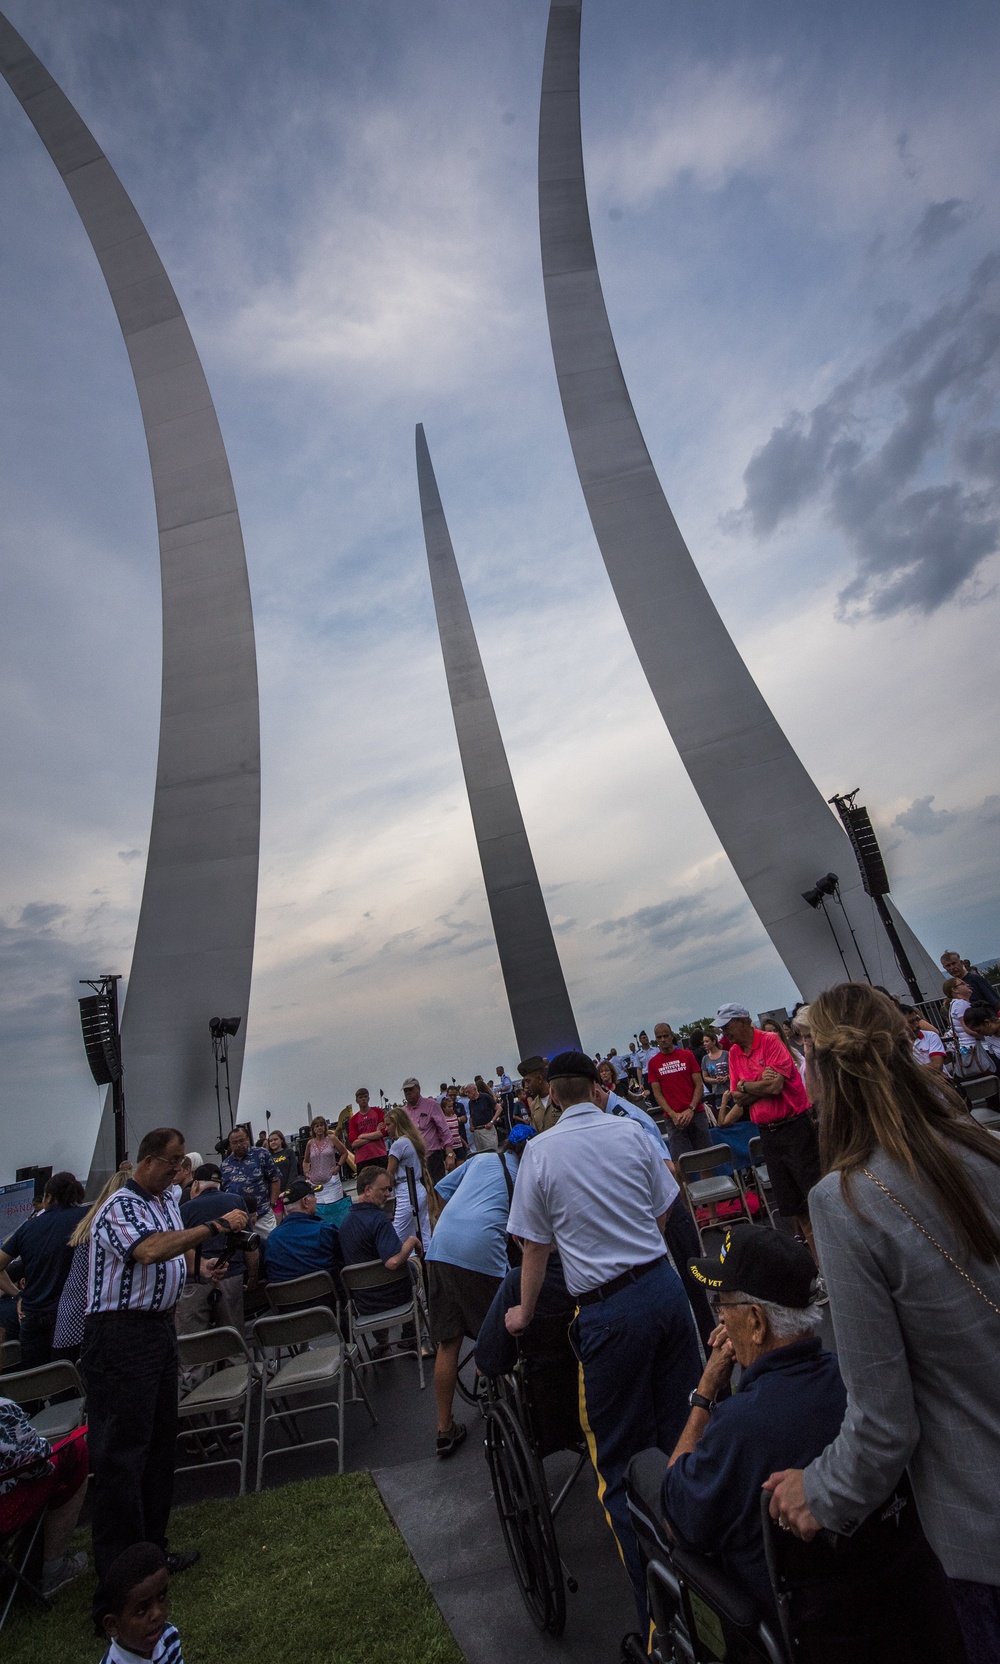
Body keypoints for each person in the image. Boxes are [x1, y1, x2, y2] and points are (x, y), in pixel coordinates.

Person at [764, 982, 1000, 1664]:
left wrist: (820, 1491)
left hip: (983, 1530)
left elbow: (883, 1420)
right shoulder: (985, 1144)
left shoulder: (847, 1203)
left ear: (817, 1070)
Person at [505, 1051, 701, 1625]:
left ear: (553, 1098)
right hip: (663, 1291)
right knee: (686, 1435)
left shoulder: (539, 1153)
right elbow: (667, 1210)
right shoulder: (631, 1131)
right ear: (596, 1089)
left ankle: (657, 1621)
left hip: (607, 1312)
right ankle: (707, 1580)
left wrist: (523, 1311)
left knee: (615, 1463)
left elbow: (533, 1249)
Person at [82, 1127, 247, 1603]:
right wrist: (216, 1227)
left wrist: (197, 1269)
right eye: (173, 1162)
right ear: (148, 1161)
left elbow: (170, 1253)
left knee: (158, 1445)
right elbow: (149, 1250)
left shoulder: (166, 1199)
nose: (179, 1170)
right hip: (119, 1334)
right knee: (121, 1454)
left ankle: (152, 1552)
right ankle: (118, 1575)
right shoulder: (121, 1207)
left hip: (155, 1329)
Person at [656, 1226, 842, 1620]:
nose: (720, 1317)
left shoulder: (740, 1427)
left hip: (779, 1619)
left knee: (644, 1475)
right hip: (863, 1608)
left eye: (722, 1305)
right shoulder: (851, 1382)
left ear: (756, 1322)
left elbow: (676, 1519)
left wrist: (705, 1392)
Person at [426, 1134, 527, 1457]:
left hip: (440, 1247)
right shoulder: (522, 1176)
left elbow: (441, 1190)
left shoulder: (481, 1159)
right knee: (500, 1328)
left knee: (448, 1341)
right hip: (481, 1253)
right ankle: (497, 1391)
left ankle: (444, 1428)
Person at [715, 1003, 819, 1253]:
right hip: (769, 1134)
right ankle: (820, 1267)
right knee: (796, 1207)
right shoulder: (734, 1054)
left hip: (795, 1129)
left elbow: (775, 1087)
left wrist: (746, 1086)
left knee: (816, 1198)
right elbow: (737, 1097)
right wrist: (754, 1085)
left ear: (742, 1021)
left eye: (727, 1026)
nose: (724, 1033)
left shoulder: (770, 1041)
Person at [0, 1401, 89, 1596]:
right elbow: (37, 1465)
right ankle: (54, 1570)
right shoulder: (3, 1410)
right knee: (76, 1451)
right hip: (5, 1513)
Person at [0, 1171, 87, 1368]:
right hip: (71, 1316)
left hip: (31, 1315)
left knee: (36, 1380)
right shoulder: (86, 1219)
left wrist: (17, 1295)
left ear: (48, 1197)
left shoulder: (28, 1227)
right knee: (68, 1379)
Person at [52, 1172, 130, 1363]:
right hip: (87, 1316)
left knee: (67, 1380)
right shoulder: (112, 1224)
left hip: (69, 1315)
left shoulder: (88, 1222)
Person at [176, 1165, 256, 1335]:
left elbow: (178, 1247)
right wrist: (253, 1277)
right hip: (231, 1276)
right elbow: (250, 1245)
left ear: (196, 1185)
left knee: (194, 1342)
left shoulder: (184, 1209)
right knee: (233, 1339)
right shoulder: (236, 1201)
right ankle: (237, 1361)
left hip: (195, 1282)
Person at [337, 1167, 420, 1315]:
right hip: (395, 1297)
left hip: (363, 1303)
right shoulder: (378, 1219)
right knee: (415, 1266)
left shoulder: (344, 1224)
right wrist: (412, 1241)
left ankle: (382, 1338)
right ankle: (412, 1330)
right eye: (384, 1189)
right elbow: (393, 1261)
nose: (388, 1194)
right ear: (368, 1190)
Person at [98, 1541, 184, 1664]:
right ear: (113, 1625)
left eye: (161, 1597)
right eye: (141, 1610)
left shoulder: (168, 1636)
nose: (157, 1613)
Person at [647, 1022, 712, 1159]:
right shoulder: (653, 1063)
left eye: (666, 1036)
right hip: (672, 1118)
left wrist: (691, 1109)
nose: (663, 1040)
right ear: (656, 1040)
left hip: (696, 1113)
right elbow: (657, 1093)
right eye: (659, 1037)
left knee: (705, 1158)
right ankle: (684, 1182)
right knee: (680, 1161)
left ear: (672, 1036)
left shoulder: (687, 1055)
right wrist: (673, 1114)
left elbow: (699, 1084)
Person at [262, 1178, 341, 1283]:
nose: (316, 1200)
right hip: (326, 1296)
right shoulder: (324, 1231)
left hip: (286, 1298)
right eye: (314, 1196)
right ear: (305, 1202)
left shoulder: (272, 1239)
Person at [385, 1105, 437, 1247]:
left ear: (397, 1124)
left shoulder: (398, 1145)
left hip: (405, 1190)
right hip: (418, 1188)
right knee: (424, 1232)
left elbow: (389, 1175)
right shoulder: (412, 1141)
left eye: (388, 1125)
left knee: (398, 1235)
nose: (386, 1129)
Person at [220, 1125, 280, 1237]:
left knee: (270, 1244)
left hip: (262, 1214)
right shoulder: (225, 1164)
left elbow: (275, 1179)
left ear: (248, 1139)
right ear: (230, 1144)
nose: (239, 1145)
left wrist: (273, 1203)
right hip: (238, 1219)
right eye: (235, 1142)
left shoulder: (261, 1154)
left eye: (241, 1141)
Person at [401, 1078, 452, 1184]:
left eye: (411, 1089)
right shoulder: (403, 1112)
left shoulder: (431, 1105)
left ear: (418, 1089)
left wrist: (449, 1154)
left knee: (438, 1188)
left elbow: (444, 1130)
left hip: (432, 1156)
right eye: (406, 1091)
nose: (408, 1093)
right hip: (413, 1160)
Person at [301, 1113, 349, 1215]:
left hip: (331, 1181)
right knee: (320, 1212)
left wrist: (338, 1166)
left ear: (325, 1127)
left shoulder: (332, 1139)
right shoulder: (310, 1143)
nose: (319, 1128)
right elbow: (306, 1160)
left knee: (335, 1210)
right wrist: (306, 1172)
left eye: (321, 1125)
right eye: (317, 1126)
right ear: (313, 1129)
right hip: (316, 1184)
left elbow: (344, 1153)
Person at [347, 1090, 388, 1171]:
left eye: (365, 1097)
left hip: (379, 1154)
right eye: (361, 1097)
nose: (363, 1099)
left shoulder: (378, 1112)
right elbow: (354, 1143)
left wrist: (362, 1136)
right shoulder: (354, 1119)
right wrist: (375, 1134)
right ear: (357, 1100)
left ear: (369, 1098)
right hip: (363, 1159)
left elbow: (383, 1132)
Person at [518, 1054, 560, 1132]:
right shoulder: (534, 1105)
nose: (526, 1086)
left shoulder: (561, 1097)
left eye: (528, 1081)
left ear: (539, 1078)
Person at [900, 1004, 947, 1072]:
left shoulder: (930, 1036)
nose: (917, 1025)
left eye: (917, 1020)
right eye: (911, 1022)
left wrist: (910, 1071)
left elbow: (937, 1066)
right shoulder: (895, 1043)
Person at [700, 1031, 730, 1115]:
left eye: (707, 1041)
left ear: (713, 1041)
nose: (705, 1044)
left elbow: (735, 1071)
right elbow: (705, 1077)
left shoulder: (726, 1054)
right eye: (704, 1042)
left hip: (730, 1089)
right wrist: (715, 1080)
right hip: (717, 1093)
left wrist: (726, 1077)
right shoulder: (705, 1059)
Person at [467, 1080, 502, 1152]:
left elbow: (499, 1109)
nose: (467, 1094)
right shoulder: (470, 1102)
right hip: (477, 1131)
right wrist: (471, 1126)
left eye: (468, 1092)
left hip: (487, 1130)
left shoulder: (485, 1097)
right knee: (481, 1154)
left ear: (474, 1090)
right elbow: (471, 1115)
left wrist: (492, 1122)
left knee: (492, 1152)